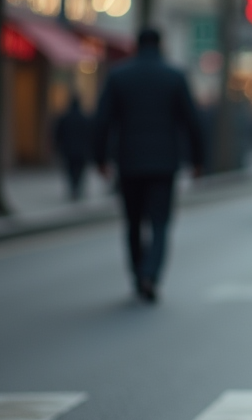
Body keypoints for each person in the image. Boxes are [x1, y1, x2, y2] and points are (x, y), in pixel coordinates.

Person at [93, 28, 205, 302]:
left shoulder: (119, 76)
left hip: (129, 162)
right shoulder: (175, 77)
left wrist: (100, 159)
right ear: (161, 45)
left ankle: (137, 272)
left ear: (136, 45)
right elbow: (192, 122)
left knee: (132, 223)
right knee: (160, 223)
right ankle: (150, 273)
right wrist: (198, 160)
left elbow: (102, 120)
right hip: (164, 164)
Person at [53, 96, 93, 200]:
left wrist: (56, 147)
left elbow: (58, 134)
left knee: (70, 170)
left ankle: (73, 189)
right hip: (81, 151)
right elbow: (90, 135)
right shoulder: (84, 118)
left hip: (68, 150)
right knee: (79, 171)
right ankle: (76, 188)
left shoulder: (65, 118)